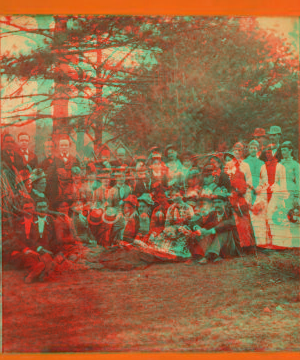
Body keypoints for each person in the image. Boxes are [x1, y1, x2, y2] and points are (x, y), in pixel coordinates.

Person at [187, 187, 241, 264]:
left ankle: (210, 256)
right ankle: (210, 255)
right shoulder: (213, 214)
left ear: (225, 203)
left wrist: (211, 231)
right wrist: (198, 228)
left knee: (223, 231)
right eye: (215, 203)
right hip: (218, 247)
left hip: (229, 248)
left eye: (219, 202)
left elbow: (228, 223)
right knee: (203, 232)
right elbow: (196, 221)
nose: (216, 205)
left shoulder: (232, 213)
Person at [256, 144, 290, 248]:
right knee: (264, 217)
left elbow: (283, 182)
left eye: (270, 153)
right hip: (265, 194)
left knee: (275, 217)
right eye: (267, 153)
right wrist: (259, 188)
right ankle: (267, 242)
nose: (268, 155)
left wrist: (281, 194)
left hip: (276, 194)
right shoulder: (263, 166)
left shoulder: (280, 166)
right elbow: (261, 181)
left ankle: (279, 242)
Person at [242, 140, 266, 247]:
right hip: (248, 189)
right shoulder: (244, 162)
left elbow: (264, 178)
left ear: (258, 149)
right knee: (248, 213)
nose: (253, 150)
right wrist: (251, 187)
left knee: (258, 214)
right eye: (251, 147)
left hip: (259, 190)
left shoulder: (261, 163)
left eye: (255, 148)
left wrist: (259, 188)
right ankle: (249, 243)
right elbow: (243, 177)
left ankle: (260, 242)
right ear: (248, 149)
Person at [279, 141, 299, 247]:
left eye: (285, 150)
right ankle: (284, 242)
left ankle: (295, 242)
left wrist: (297, 195)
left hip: (291, 192)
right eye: (282, 150)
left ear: (290, 150)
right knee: (282, 215)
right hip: (281, 192)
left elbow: (299, 180)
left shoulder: (295, 165)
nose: (283, 152)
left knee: (291, 215)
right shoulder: (280, 164)